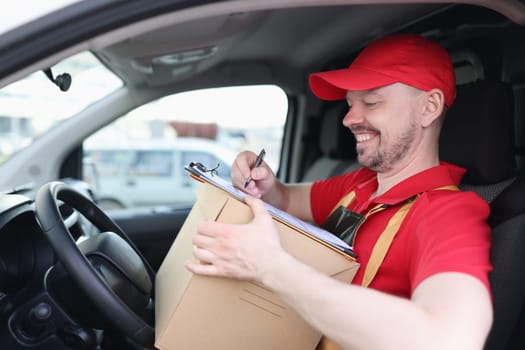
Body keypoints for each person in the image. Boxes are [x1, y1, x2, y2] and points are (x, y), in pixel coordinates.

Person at [185, 34, 493, 350]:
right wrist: (269, 186)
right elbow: (288, 199)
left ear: (430, 107)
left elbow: (450, 339)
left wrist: (270, 266)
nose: (348, 119)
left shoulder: (447, 213)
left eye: (372, 102)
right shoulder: (360, 183)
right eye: (349, 104)